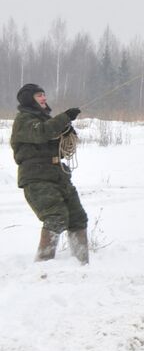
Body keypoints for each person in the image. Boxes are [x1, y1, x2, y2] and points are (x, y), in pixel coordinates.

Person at [11, 83, 89, 264]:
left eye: (44, 94)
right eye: (39, 95)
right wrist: (64, 118)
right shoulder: (24, 121)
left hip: (58, 175)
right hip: (37, 178)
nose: (44, 98)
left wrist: (66, 132)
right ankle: (43, 266)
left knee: (77, 217)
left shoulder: (47, 121)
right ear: (29, 99)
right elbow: (42, 133)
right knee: (56, 217)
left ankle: (82, 264)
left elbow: (60, 150)